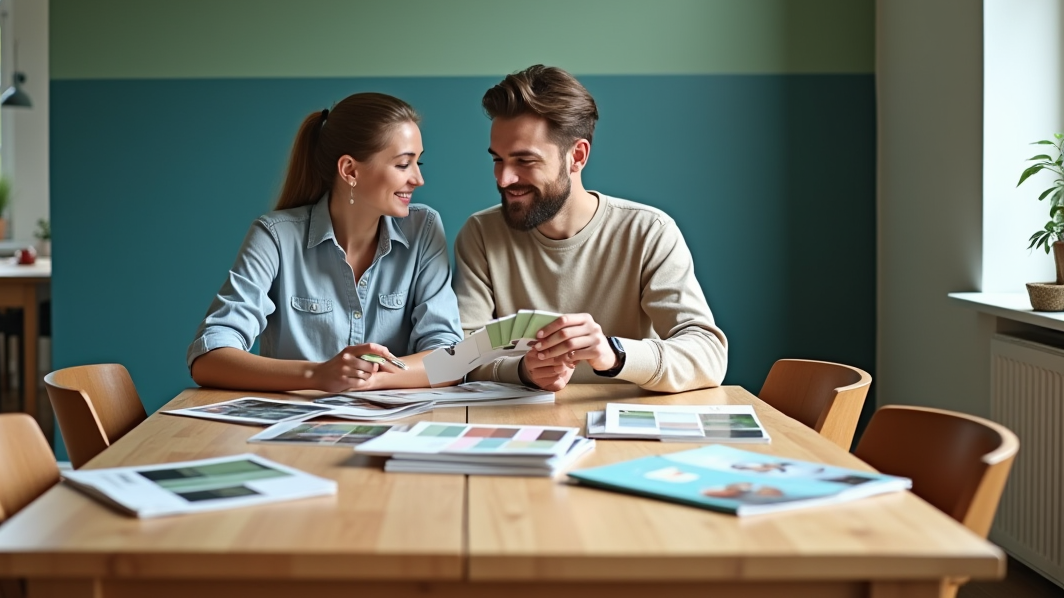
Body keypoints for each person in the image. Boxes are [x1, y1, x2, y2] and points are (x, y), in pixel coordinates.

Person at [453, 65, 727, 392]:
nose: (503, 178)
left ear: (577, 156)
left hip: (627, 431)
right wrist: (524, 370)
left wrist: (614, 354)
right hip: (523, 425)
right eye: (498, 159)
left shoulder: (649, 231)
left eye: (524, 161)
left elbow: (709, 355)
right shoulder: (481, 234)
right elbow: (461, 356)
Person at [188, 93, 463, 392]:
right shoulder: (275, 237)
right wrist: (318, 375)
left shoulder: (423, 229)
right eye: (403, 165)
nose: (418, 179)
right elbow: (208, 357)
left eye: (418, 162)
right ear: (349, 170)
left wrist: (367, 379)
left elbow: (449, 357)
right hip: (290, 431)